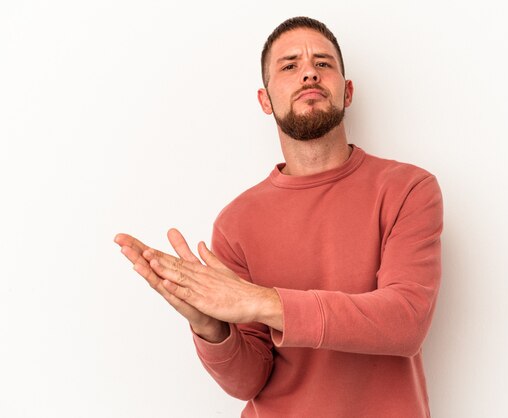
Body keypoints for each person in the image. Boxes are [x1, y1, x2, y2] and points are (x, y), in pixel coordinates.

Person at [115, 16, 443, 418]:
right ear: (265, 100)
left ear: (348, 91)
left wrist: (261, 302)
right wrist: (212, 328)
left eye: (323, 64)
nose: (309, 73)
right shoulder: (237, 222)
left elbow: (404, 323)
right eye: (289, 66)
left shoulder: (407, 188)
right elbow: (248, 382)